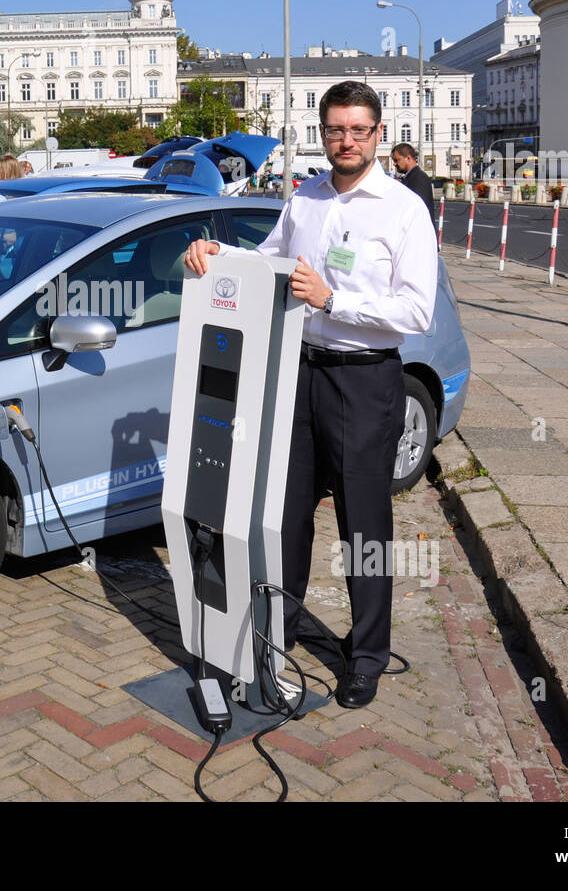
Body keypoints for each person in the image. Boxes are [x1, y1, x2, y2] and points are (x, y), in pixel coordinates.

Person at [183, 81, 437, 710]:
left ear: (378, 134)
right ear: (321, 133)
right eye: (334, 130)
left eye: (357, 130)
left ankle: (368, 653)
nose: (345, 141)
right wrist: (217, 254)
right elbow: (270, 260)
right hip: (298, 374)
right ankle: (281, 628)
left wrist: (333, 300)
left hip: (365, 377)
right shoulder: (306, 198)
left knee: (364, 524)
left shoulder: (404, 210)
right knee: (288, 513)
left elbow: (417, 311)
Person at [391, 142, 436, 225]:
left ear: (408, 158)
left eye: (397, 160)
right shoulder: (410, 177)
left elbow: (417, 209)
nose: (394, 164)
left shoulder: (419, 178)